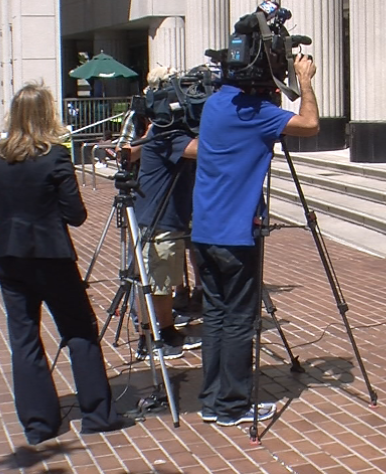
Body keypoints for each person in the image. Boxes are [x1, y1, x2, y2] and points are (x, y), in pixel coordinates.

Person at [0, 82, 131, 444]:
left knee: (24, 336)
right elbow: (75, 214)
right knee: (79, 330)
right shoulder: (56, 156)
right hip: (51, 254)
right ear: (47, 115)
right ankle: (97, 413)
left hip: (10, 255)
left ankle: (38, 424)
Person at [191, 54, 319, 427]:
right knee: (238, 319)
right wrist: (303, 79)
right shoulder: (257, 112)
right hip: (235, 234)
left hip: (204, 229)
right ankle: (233, 405)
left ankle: (213, 401)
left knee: (215, 315)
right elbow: (310, 124)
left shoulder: (215, 104)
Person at [131, 67, 202, 360]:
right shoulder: (168, 132)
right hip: (158, 219)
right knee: (158, 282)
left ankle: (158, 330)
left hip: (162, 216)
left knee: (156, 279)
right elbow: (205, 150)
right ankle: (160, 337)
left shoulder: (165, 129)